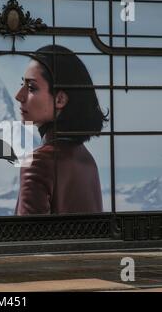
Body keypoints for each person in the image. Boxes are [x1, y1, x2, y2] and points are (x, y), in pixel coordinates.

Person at [15, 44, 109, 215]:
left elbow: (28, 240)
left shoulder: (38, 163)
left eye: (31, 88)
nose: (18, 95)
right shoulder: (87, 159)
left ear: (60, 99)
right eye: (22, 84)